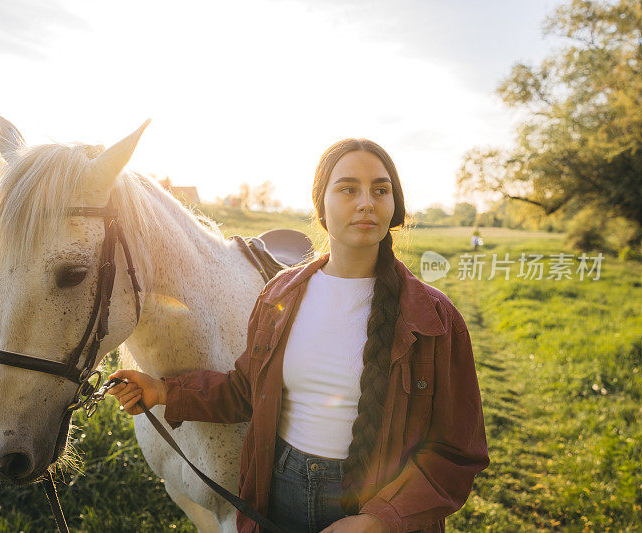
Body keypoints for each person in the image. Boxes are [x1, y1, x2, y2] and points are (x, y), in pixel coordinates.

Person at [106, 139, 490, 533]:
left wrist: (377, 521)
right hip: (278, 493)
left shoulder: (435, 319)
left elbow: (456, 453)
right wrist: (164, 391)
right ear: (320, 204)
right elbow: (245, 391)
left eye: (380, 189)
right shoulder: (280, 295)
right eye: (347, 189)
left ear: (395, 207)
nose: (366, 202)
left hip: (381, 504)